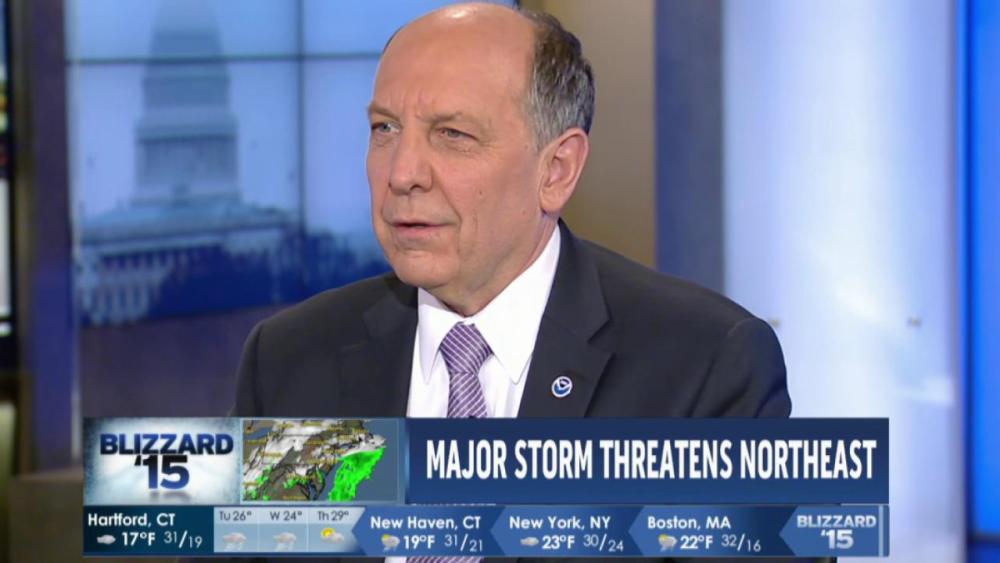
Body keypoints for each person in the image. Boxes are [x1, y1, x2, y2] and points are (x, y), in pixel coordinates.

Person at [225, 7, 795, 563]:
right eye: (385, 129)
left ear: (557, 170)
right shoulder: (290, 358)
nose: (402, 173)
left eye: (452, 134)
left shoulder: (705, 369)